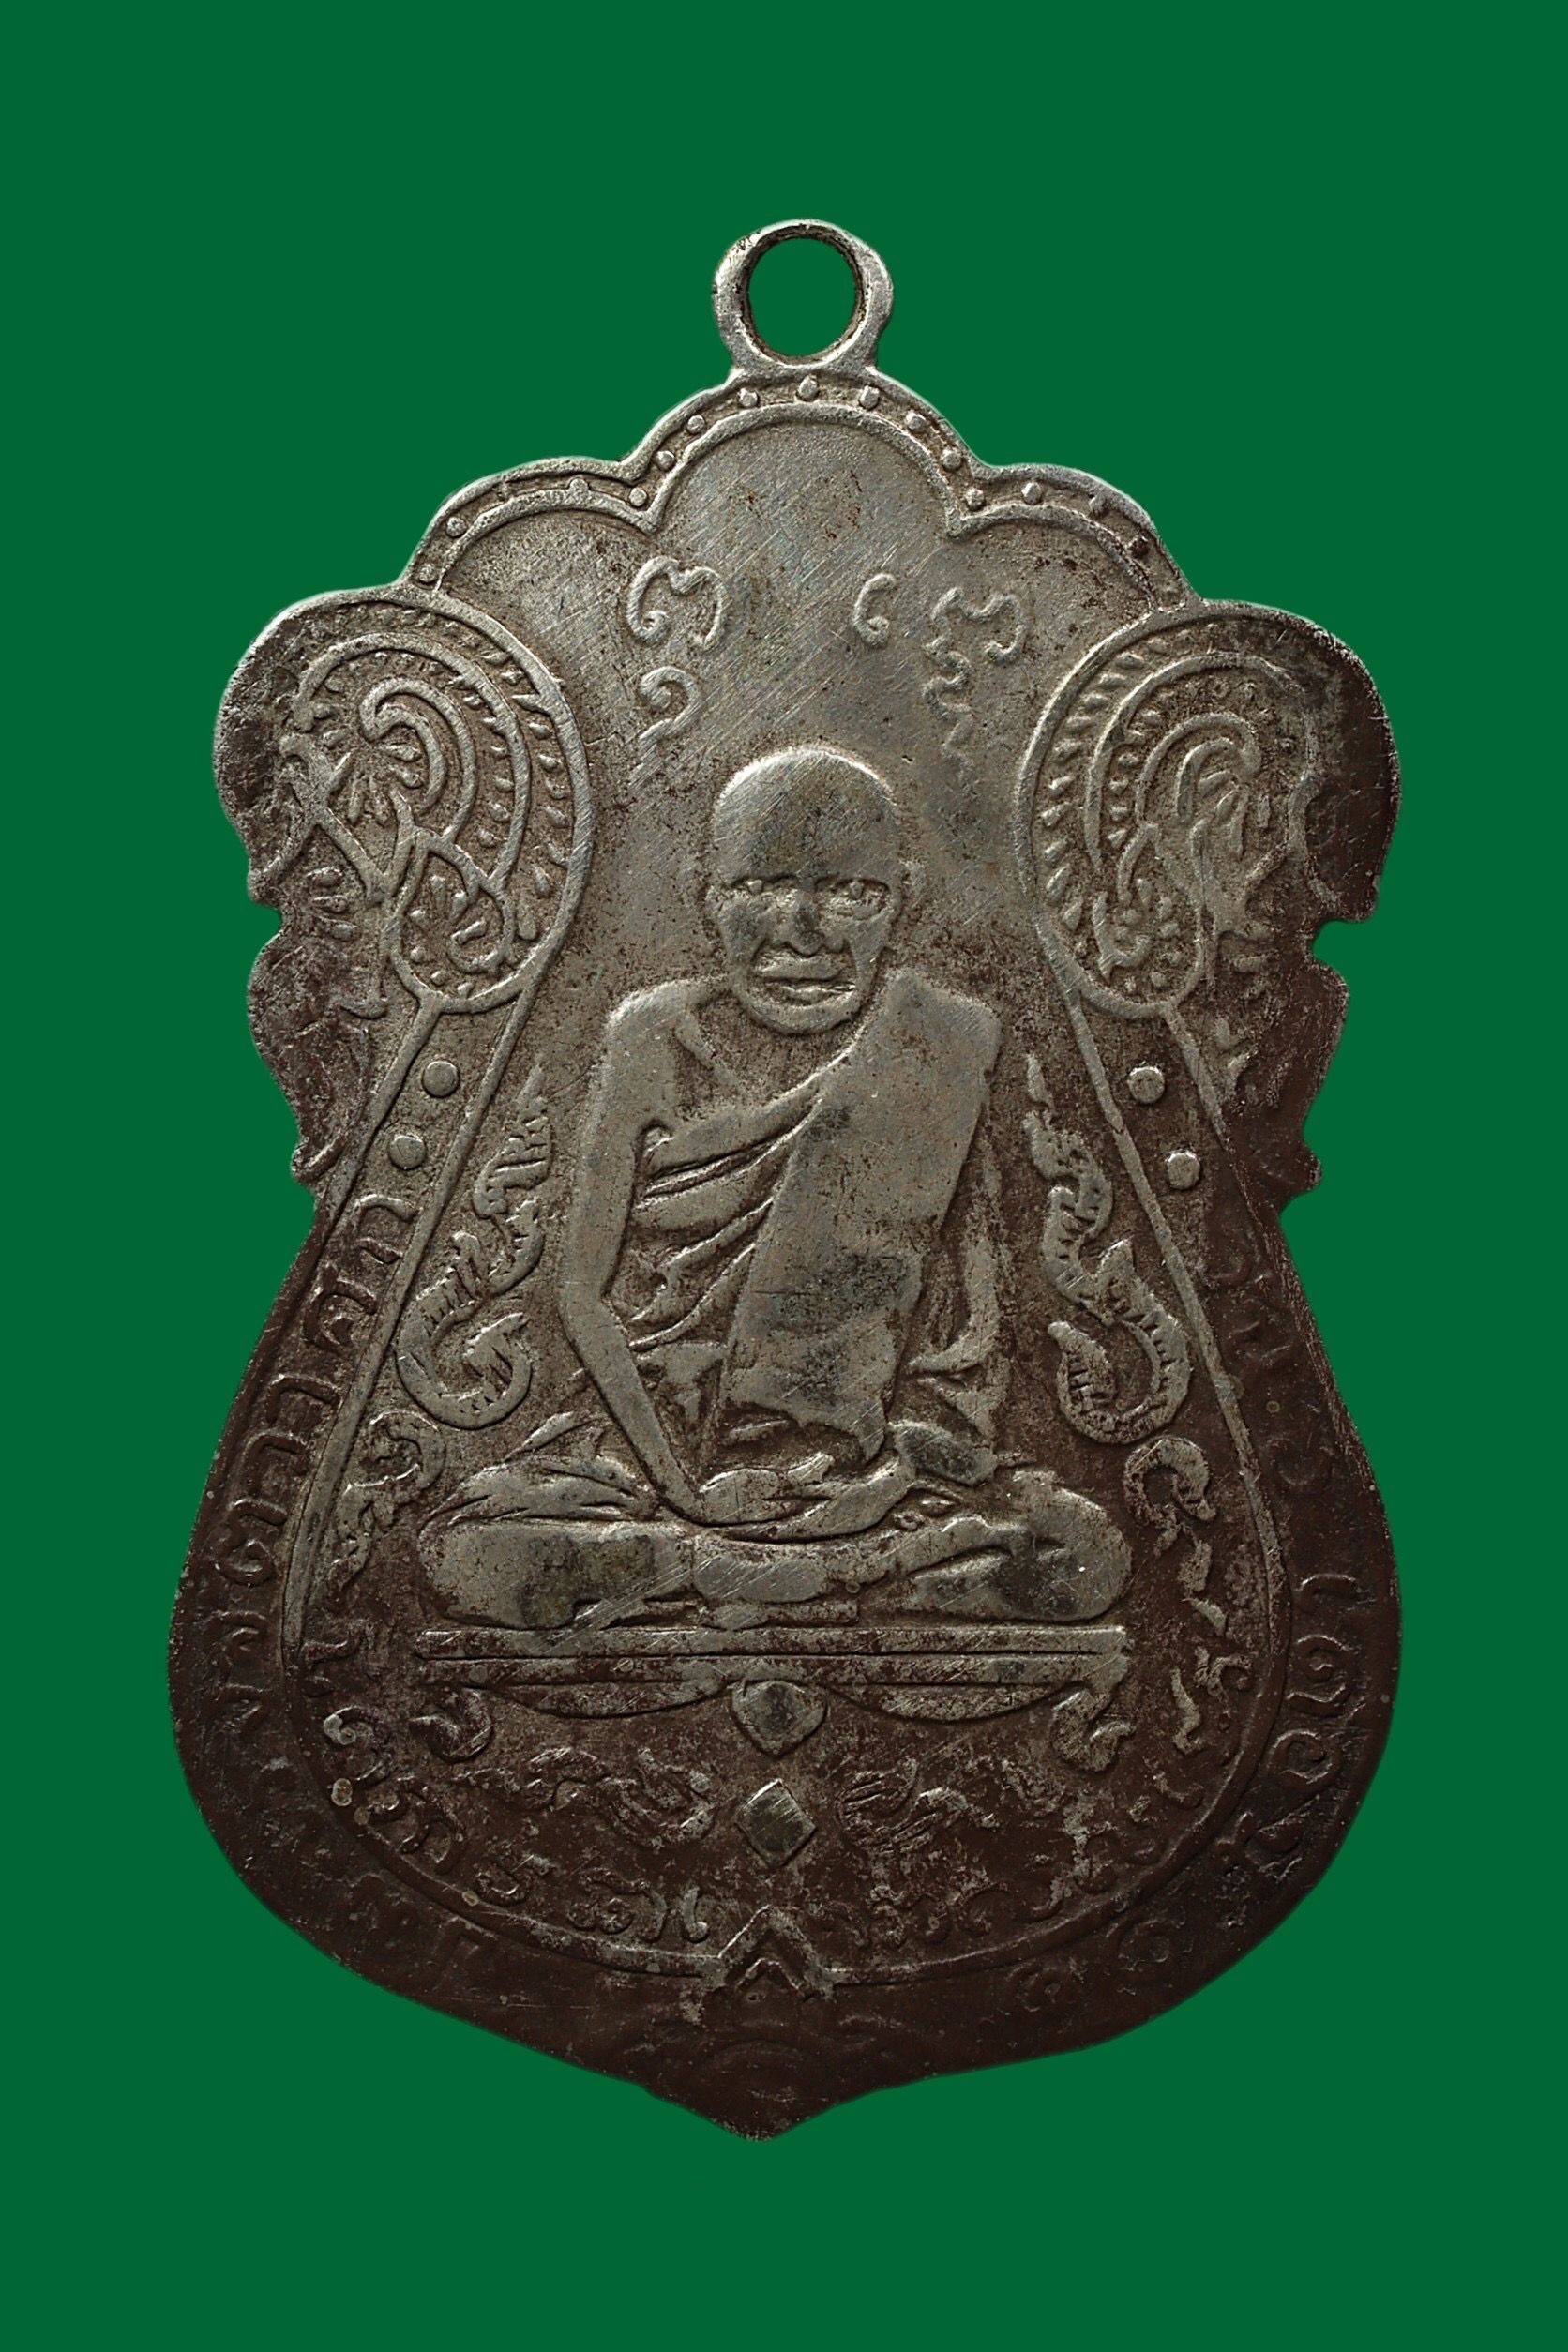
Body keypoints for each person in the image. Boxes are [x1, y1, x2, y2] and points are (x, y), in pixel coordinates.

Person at [557, 744, 1005, 1540]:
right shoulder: (654, 1035)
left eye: (849, 893)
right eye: (756, 889)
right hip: (659, 1451)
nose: (799, 935)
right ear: (704, 897)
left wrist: (893, 1475)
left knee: (1080, 1550)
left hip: (864, 1472)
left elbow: (973, 1336)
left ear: (905, 901)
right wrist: (685, 1495)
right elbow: (582, 1297)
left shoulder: (941, 1046)